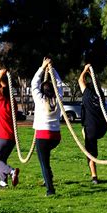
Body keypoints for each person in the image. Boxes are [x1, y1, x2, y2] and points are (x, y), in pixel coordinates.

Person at [31, 57, 63, 196]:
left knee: (43, 162)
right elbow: (60, 84)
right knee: (46, 158)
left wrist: (42, 67)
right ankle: (48, 178)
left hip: (43, 136)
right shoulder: (58, 99)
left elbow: (34, 84)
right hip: (56, 136)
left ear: (43, 91)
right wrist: (52, 70)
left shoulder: (39, 100)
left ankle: (50, 190)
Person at [78, 64, 107, 184]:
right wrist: (92, 73)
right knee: (88, 140)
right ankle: (94, 175)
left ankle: (94, 176)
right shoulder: (100, 94)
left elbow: (80, 80)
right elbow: (97, 84)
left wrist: (85, 69)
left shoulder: (87, 94)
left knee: (90, 152)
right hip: (102, 128)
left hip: (91, 128)